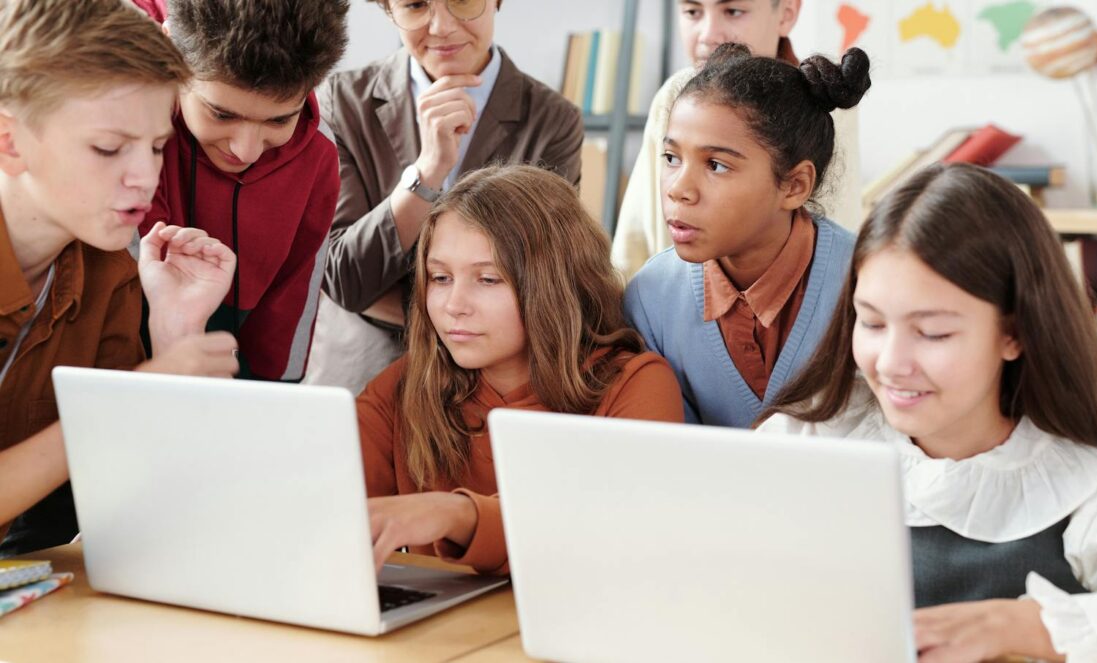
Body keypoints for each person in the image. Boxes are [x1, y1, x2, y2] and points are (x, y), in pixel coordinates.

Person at [758, 163, 1097, 662]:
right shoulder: (806, 437)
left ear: (1014, 333)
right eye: (870, 322)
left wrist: (1033, 626)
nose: (890, 364)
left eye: (932, 333)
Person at [358, 166, 684, 574]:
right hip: (436, 636)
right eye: (440, 277)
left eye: (488, 279)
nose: (453, 304)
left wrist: (459, 515)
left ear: (554, 284)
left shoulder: (635, 384)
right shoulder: (406, 386)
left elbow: (615, 532)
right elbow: (327, 503)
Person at [0, 0, 238, 556]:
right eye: (107, 148)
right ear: (10, 143)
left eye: (156, 147)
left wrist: (177, 331)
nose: (145, 177)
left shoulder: (112, 273)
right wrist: (125, 403)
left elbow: (143, 503)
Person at [305, 0, 584, 394]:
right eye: (416, 5)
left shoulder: (553, 120)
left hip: (491, 383)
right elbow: (344, 278)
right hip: (361, 372)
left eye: (463, 1)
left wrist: (386, 296)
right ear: (388, 10)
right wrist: (427, 172)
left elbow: (540, 282)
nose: (441, 27)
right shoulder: (341, 101)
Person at [623, 44, 864, 427]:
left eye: (716, 165)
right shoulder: (650, 300)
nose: (678, 189)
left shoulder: (865, 285)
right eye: (671, 158)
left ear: (794, 185)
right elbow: (665, 456)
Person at [136, 0, 349, 381]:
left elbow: (288, 309)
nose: (245, 150)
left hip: (234, 360)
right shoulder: (126, 118)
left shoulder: (318, 154)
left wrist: (271, 396)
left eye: (280, 119)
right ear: (170, 54)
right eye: (222, 114)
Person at [611, 0, 862, 282]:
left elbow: (840, 233)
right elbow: (632, 247)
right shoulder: (676, 94)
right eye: (692, 12)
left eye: (733, 12)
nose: (708, 34)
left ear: (787, 13)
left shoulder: (825, 106)